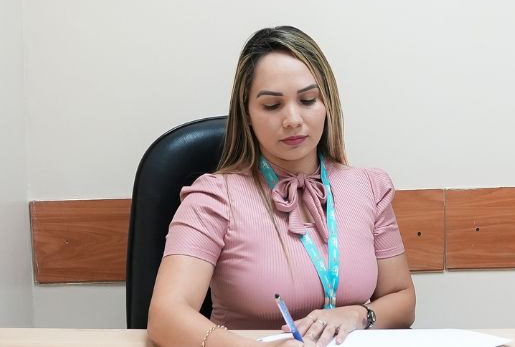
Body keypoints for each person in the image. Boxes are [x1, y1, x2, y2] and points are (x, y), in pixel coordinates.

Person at [147, 26, 416, 347]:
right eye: (272, 105)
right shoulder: (213, 198)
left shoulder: (369, 187)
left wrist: (358, 314)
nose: (292, 119)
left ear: (327, 103)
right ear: (247, 113)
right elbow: (165, 315)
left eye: (308, 100)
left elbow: (402, 298)